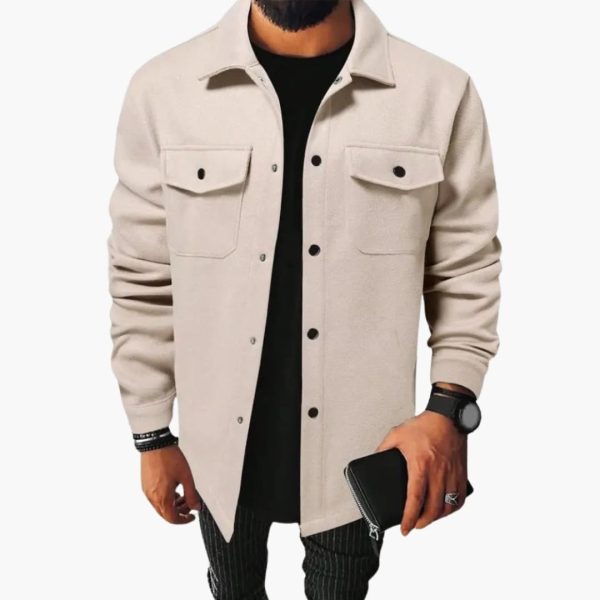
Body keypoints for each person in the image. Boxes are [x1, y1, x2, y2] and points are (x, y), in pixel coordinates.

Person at [106, 0, 502, 597]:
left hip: (362, 450)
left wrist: (450, 410)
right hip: (220, 455)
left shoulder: (439, 94)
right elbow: (142, 274)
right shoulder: (164, 91)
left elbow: (466, 268)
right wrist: (151, 434)